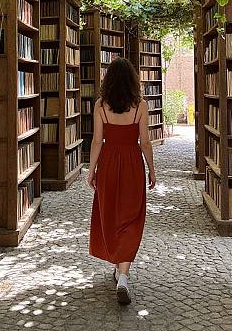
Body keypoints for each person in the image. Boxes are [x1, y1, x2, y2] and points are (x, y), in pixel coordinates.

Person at [88, 57, 156, 305]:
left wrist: (91, 170)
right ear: (132, 81)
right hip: (131, 164)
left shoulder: (100, 106)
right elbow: (145, 142)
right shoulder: (141, 106)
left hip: (108, 163)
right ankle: (123, 276)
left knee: (111, 214)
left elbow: (97, 141)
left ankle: (120, 270)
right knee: (131, 215)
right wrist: (152, 169)